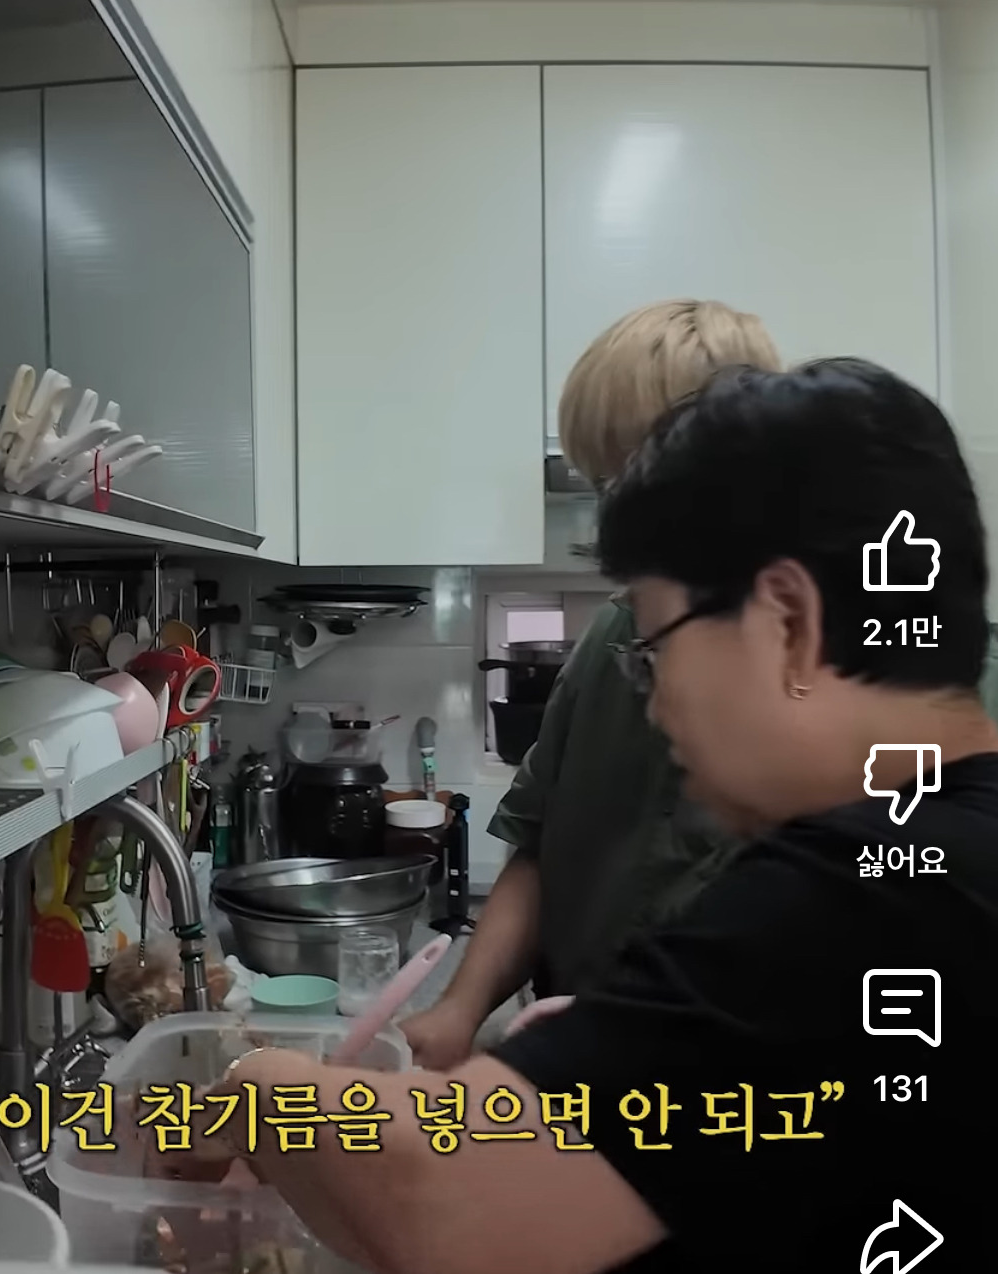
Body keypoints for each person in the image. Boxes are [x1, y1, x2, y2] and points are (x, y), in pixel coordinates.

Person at [209, 360, 998, 1272]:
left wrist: (250, 1087)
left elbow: (445, 1206)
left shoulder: (862, 891)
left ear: (787, 623)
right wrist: (627, 1044)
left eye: (654, 650)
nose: (654, 704)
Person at [404, 300, 783, 1068]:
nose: (621, 511)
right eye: (608, 482)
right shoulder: (612, 634)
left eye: (643, 477)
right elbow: (539, 849)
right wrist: (457, 1012)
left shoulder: (878, 675)